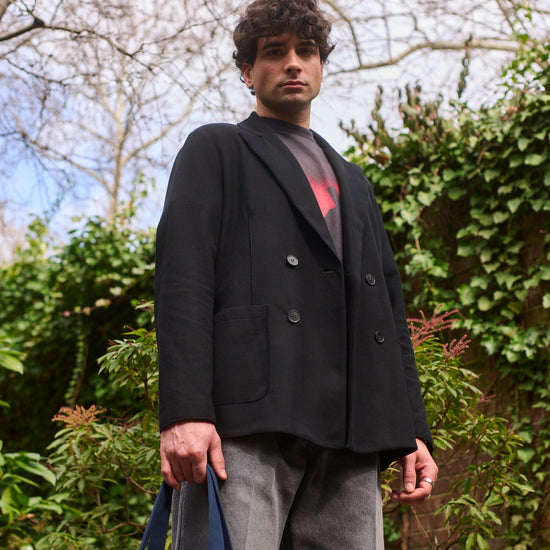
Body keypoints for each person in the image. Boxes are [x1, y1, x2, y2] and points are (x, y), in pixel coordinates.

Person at [154, 0, 438, 548]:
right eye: (273, 52)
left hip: (351, 431)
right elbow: (183, 282)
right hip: (246, 423)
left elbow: (387, 315)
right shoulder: (218, 148)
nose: (292, 63)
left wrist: (411, 431)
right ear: (247, 71)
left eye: (306, 51)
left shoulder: (354, 182)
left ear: (320, 67)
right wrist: (185, 412)